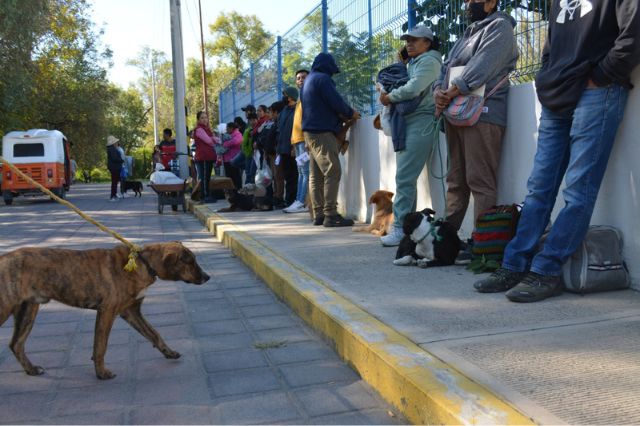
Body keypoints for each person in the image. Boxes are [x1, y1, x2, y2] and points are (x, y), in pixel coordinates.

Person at [474, 0, 640, 303]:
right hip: (557, 94)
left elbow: (633, 33)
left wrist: (602, 75)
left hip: (598, 91)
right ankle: (515, 264)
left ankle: (546, 270)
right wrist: (546, 77)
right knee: (539, 187)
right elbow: (552, 43)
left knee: (578, 189)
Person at [433, 0, 518, 240]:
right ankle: (446, 238)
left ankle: (480, 242)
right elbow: (445, 68)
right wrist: (438, 91)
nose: (469, 4)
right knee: (456, 179)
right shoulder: (467, 34)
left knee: (480, 180)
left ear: (491, 3)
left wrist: (450, 91)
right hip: (456, 111)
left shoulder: (500, 27)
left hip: (484, 113)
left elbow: (483, 65)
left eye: (475, 0)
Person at [377, 26, 443, 246]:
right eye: (407, 40)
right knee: (407, 179)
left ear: (428, 43)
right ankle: (407, 229)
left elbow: (414, 88)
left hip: (422, 120)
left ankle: (400, 229)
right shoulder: (416, 61)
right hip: (412, 122)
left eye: (415, 40)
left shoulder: (429, 61)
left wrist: (390, 97)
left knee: (404, 178)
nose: (409, 44)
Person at [301, 52, 360, 227]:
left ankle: (318, 214)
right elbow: (334, 101)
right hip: (321, 131)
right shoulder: (323, 79)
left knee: (316, 175)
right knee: (333, 171)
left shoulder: (308, 81)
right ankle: (331, 214)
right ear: (328, 66)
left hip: (310, 131)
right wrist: (351, 113)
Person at [284, 69, 310, 214]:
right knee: (301, 172)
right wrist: (294, 144)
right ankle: (299, 200)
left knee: (305, 172)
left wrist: (307, 140)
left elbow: (307, 120)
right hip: (297, 141)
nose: (300, 80)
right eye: (298, 78)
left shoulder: (308, 97)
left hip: (304, 141)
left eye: (303, 77)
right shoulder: (300, 100)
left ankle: (301, 201)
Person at [275, 86, 299, 208]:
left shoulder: (298, 110)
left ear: (291, 97)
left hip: (293, 149)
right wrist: (278, 149)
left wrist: (294, 147)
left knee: (294, 177)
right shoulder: (284, 111)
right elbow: (280, 130)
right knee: (287, 177)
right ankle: (289, 201)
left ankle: (293, 201)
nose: (284, 97)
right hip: (282, 150)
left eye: (285, 95)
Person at [193, 111, 218, 203]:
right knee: (203, 178)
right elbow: (209, 141)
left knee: (207, 177)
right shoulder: (199, 129)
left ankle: (207, 195)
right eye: (202, 118)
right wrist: (215, 139)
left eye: (206, 118)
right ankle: (204, 196)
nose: (205, 120)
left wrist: (215, 139)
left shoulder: (207, 129)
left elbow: (212, 140)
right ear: (198, 120)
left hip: (209, 156)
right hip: (202, 157)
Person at [221, 122, 243, 191]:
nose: (226, 130)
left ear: (231, 128)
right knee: (229, 176)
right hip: (226, 159)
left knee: (235, 176)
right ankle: (231, 191)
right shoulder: (227, 135)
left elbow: (236, 141)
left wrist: (226, 144)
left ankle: (238, 190)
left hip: (234, 159)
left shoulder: (237, 134)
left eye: (227, 128)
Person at [106, 135, 124, 201]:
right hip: (115, 167)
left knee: (115, 182)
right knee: (114, 182)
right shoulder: (112, 149)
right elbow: (114, 158)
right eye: (115, 142)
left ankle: (114, 194)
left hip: (114, 167)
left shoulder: (112, 148)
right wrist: (121, 160)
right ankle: (113, 196)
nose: (117, 143)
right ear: (113, 143)